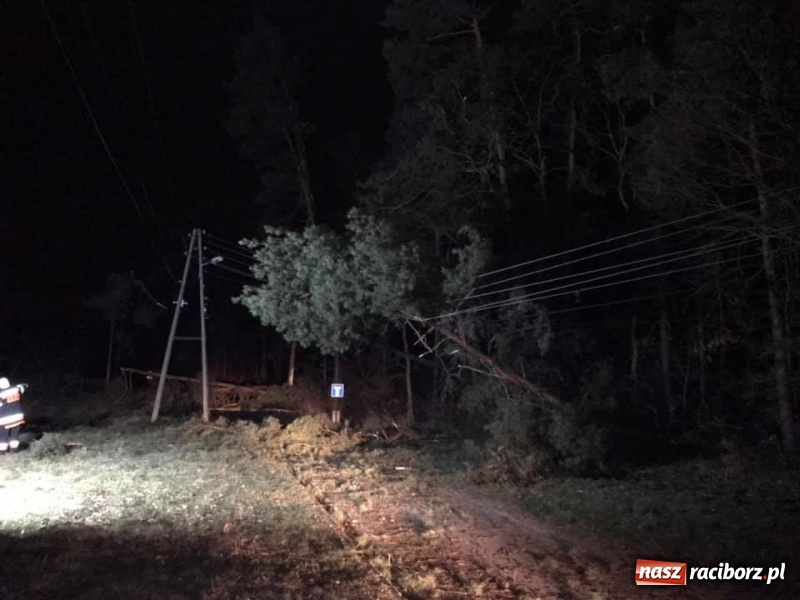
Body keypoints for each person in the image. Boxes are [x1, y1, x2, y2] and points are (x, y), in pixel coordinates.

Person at [0, 377, 27, 452]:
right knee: (14, 435)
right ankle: (13, 451)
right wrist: (23, 385)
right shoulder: (16, 389)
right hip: (18, 417)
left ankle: (2, 453)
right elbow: (23, 386)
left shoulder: (1, 394)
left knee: (2, 437)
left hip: (4, 420)